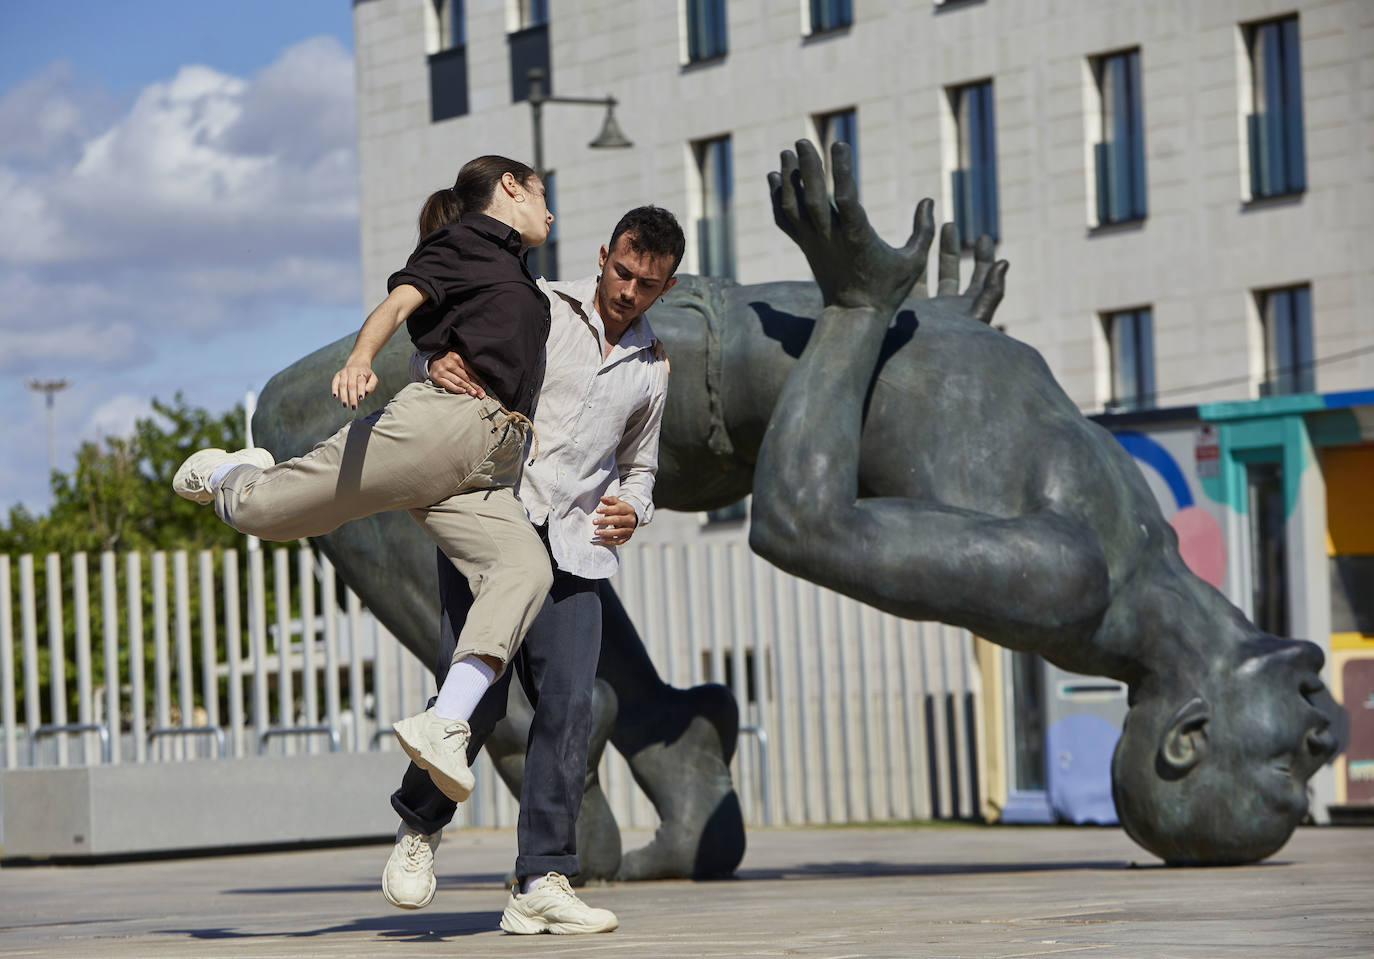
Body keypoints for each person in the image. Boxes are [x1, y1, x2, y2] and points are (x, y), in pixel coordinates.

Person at [172, 155, 557, 804]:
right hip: (439, 427)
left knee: (525, 570)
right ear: (510, 187)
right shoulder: (462, 240)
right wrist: (360, 358)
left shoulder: (517, 273)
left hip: (491, 460)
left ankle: (444, 723)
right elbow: (401, 300)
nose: (551, 209)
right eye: (543, 192)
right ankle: (230, 476)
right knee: (281, 514)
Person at [381, 206, 684, 934]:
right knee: (478, 700)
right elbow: (438, 357)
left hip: (578, 547)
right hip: (496, 525)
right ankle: (419, 828)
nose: (628, 291)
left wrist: (634, 511)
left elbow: (641, 469)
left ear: (663, 288)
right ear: (604, 254)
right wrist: (430, 363)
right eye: (622, 271)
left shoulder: (652, 367)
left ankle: (541, 877)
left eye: (648, 284)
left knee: (571, 706)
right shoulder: (541, 306)